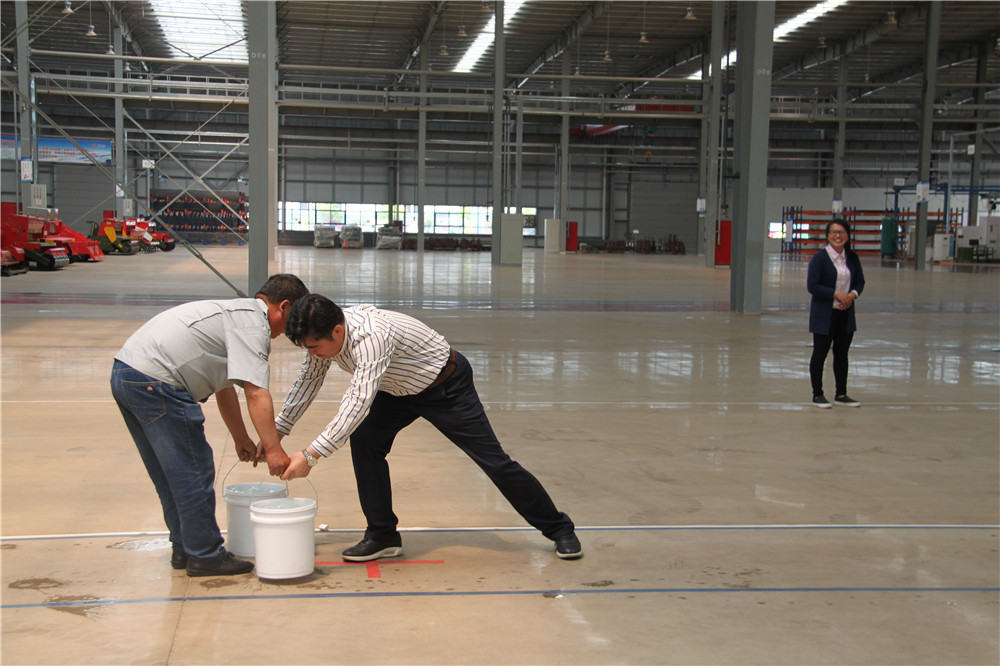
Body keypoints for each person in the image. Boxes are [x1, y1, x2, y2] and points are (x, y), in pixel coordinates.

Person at [275, 294, 583, 561]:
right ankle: (383, 535)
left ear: (337, 330)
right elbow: (308, 382)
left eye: (314, 347)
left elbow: (358, 401)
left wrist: (311, 455)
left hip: (445, 387)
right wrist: (275, 434)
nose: (312, 354)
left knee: (494, 462)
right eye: (307, 349)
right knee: (365, 443)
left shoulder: (371, 337)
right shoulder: (321, 338)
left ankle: (559, 529)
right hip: (395, 391)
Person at [110, 274, 309, 576]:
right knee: (193, 470)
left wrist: (240, 437)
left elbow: (223, 385)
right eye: (292, 321)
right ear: (284, 306)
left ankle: (185, 547)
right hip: (157, 380)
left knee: (171, 474)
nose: (287, 332)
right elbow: (256, 392)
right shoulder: (253, 326)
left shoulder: (234, 316)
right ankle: (205, 555)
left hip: (128, 374)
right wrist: (273, 449)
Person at [807, 219, 865, 408]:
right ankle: (817, 394)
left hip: (845, 314)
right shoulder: (820, 259)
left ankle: (841, 394)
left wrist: (851, 295)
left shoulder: (852, 258)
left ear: (847, 235)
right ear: (827, 236)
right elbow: (813, 286)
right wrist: (836, 294)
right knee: (820, 353)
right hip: (825, 314)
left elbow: (860, 282)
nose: (837, 236)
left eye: (841, 232)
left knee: (842, 354)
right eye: (833, 232)